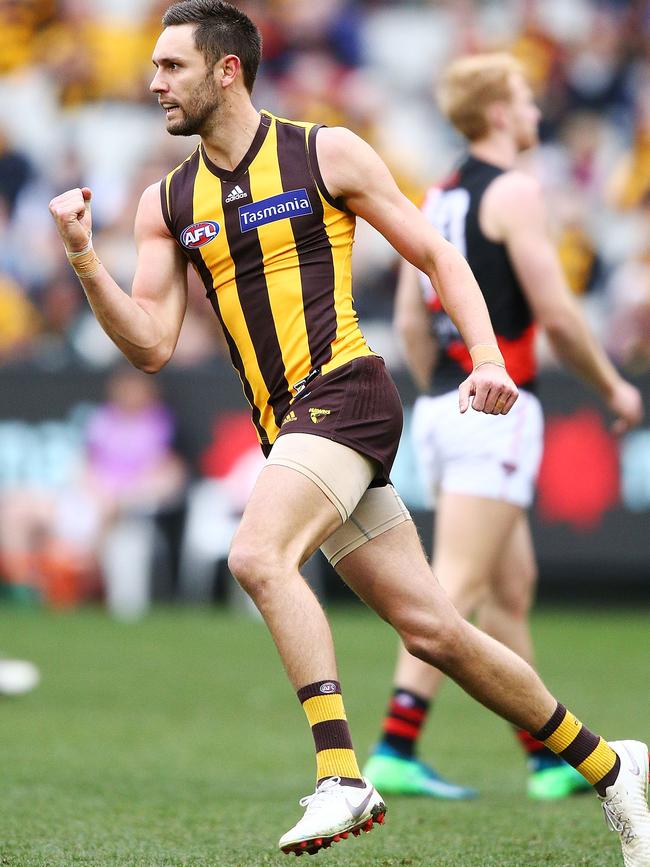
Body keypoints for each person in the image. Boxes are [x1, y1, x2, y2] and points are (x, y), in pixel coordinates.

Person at [48, 4, 650, 862]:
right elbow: (149, 343)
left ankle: (341, 771)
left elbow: (440, 256)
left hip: (347, 393)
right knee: (435, 630)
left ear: (228, 70)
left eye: (172, 66)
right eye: (153, 67)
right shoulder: (168, 201)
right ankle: (610, 762)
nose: (153, 83)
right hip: (290, 427)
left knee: (257, 554)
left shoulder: (322, 151)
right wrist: (81, 256)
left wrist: (486, 355)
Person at [364, 52, 646, 805]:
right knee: (452, 588)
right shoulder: (515, 190)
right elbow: (554, 312)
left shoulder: (438, 191)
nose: (533, 110)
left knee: (509, 589)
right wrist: (614, 383)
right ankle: (393, 745)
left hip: (443, 404)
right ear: (496, 112)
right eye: (522, 98)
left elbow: (406, 317)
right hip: (497, 404)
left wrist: (434, 393)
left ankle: (548, 758)